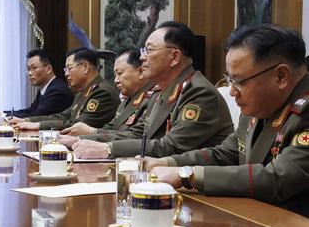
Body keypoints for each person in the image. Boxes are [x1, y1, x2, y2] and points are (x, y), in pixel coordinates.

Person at [147, 24, 309, 217]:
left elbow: (277, 178)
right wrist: (169, 162)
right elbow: (225, 154)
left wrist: (188, 175)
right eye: (229, 80)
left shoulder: (304, 110)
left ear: (281, 76)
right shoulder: (260, 105)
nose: (232, 92)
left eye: (240, 81)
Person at [73, 22, 233, 160]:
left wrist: (109, 149)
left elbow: (171, 147)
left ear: (174, 57)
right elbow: (138, 134)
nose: (142, 57)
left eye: (148, 51)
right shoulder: (160, 91)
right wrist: (82, 138)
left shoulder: (199, 93)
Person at [10, 47, 120, 131]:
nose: (66, 74)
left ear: (85, 67)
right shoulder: (82, 92)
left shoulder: (102, 92)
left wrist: (37, 125)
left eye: (69, 68)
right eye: (65, 69)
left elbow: (76, 125)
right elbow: (63, 116)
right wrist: (27, 121)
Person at [61, 48, 155, 139]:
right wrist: (83, 138)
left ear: (141, 71)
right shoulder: (126, 101)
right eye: (115, 75)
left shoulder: (152, 99)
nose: (115, 80)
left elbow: (136, 135)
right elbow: (110, 127)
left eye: (120, 73)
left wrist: (91, 133)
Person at [0, 49, 73, 119]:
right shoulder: (46, 87)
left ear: (48, 69)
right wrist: (1, 113)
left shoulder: (57, 90)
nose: (30, 73)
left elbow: (35, 117)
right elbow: (30, 111)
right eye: (28, 69)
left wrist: (2, 116)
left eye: (34, 68)